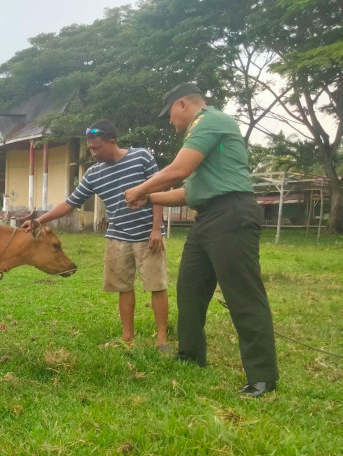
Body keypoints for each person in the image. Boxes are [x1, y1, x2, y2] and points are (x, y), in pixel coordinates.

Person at [124, 83, 279, 398]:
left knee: (243, 295)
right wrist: (150, 197)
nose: (170, 122)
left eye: (169, 114)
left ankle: (263, 377)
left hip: (231, 213)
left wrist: (140, 189)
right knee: (190, 289)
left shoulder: (210, 122)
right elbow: (190, 191)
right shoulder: (202, 139)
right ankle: (191, 356)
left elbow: (178, 171)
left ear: (182, 104)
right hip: (207, 217)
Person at [22, 120, 169, 351]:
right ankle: (127, 338)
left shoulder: (141, 157)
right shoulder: (93, 174)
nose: (93, 153)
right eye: (90, 149)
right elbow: (71, 203)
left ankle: (162, 340)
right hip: (117, 237)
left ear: (112, 142)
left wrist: (156, 229)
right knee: (123, 287)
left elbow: (159, 191)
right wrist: (40, 220)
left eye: (97, 148)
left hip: (147, 236)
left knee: (156, 285)